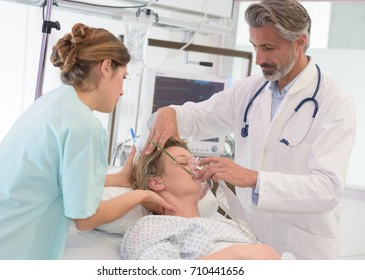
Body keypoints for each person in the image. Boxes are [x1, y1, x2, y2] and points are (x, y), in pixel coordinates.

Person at [144, 0, 356, 259]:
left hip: (303, 249)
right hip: (249, 241)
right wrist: (170, 113)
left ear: (299, 42)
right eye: (255, 46)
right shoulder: (250, 90)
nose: (259, 59)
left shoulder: (334, 101)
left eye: (268, 48)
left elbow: (328, 189)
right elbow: (198, 116)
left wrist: (254, 179)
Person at [0, 23, 172, 260]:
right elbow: (87, 219)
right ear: (107, 67)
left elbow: (53, 181)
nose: (122, 91)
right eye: (124, 77)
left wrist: (117, 180)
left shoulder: (51, 102)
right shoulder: (84, 126)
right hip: (8, 252)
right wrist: (142, 196)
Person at [120, 137, 287, 260]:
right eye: (184, 163)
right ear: (156, 183)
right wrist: (238, 254)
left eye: (195, 161)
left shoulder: (228, 224)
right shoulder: (150, 228)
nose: (197, 167)